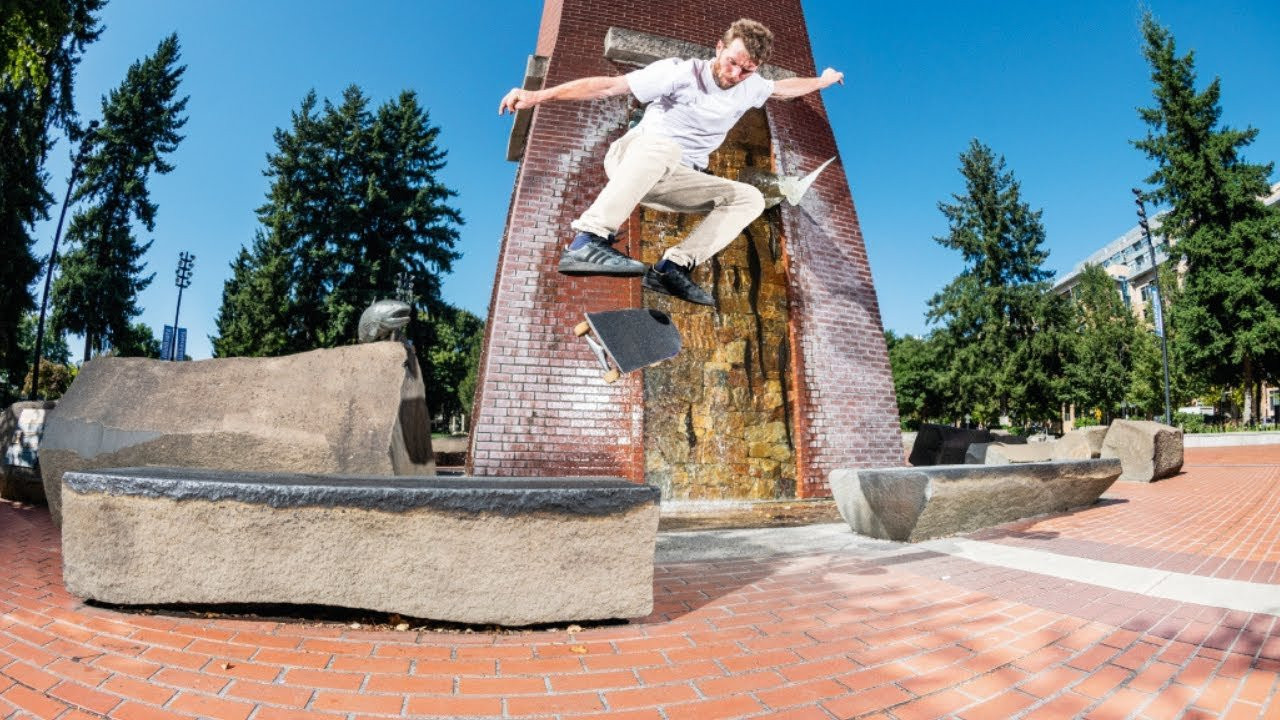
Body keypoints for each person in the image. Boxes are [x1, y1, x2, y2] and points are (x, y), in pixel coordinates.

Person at [499, 18, 843, 306]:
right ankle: (587, 240)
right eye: (732, 62)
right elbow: (608, 87)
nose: (735, 73)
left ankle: (672, 269)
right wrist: (536, 96)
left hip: (673, 179)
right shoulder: (679, 73)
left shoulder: (750, 86)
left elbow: (785, 88)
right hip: (631, 159)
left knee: (749, 197)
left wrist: (824, 81)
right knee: (665, 149)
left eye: (746, 69)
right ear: (719, 47)